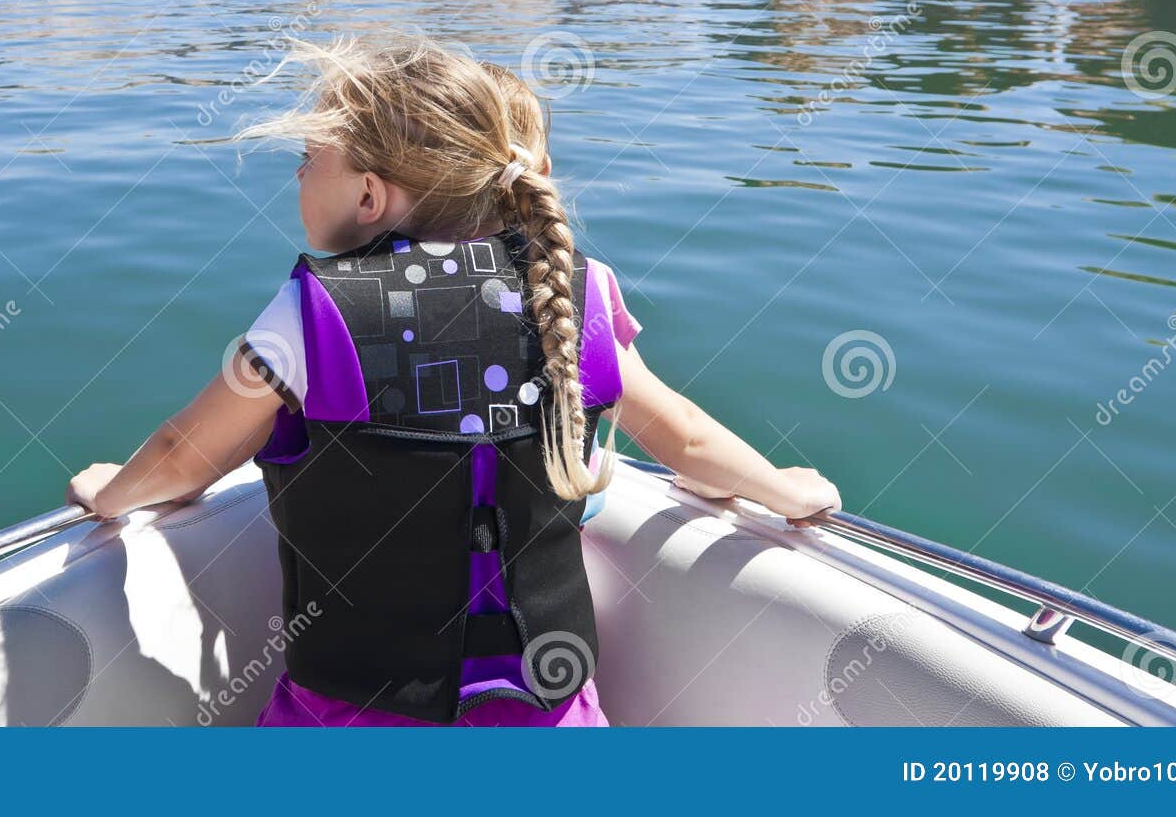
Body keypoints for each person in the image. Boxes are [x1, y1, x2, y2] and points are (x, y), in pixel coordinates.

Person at [66, 37, 841, 727]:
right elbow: (685, 435)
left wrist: (112, 492)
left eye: (308, 158)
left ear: (368, 195)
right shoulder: (578, 290)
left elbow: (183, 453)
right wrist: (781, 488)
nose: (298, 175)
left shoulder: (311, 311)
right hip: (553, 716)